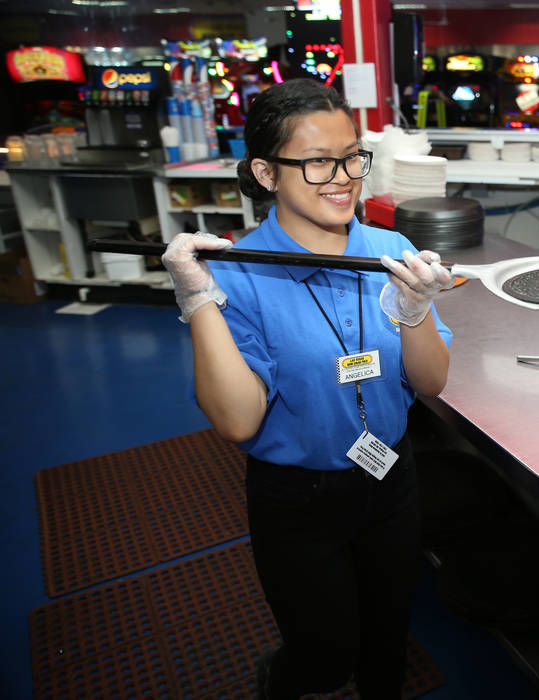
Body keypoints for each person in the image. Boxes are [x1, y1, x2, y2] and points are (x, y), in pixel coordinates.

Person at [160, 78, 454, 700]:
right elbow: (238, 422)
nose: (344, 176)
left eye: (352, 156)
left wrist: (416, 308)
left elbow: (430, 382)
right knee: (323, 657)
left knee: (388, 641)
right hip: (297, 499)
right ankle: (280, 678)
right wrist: (200, 299)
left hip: (389, 478)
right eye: (318, 161)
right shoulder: (237, 270)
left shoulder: (391, 250)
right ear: (267, 173)